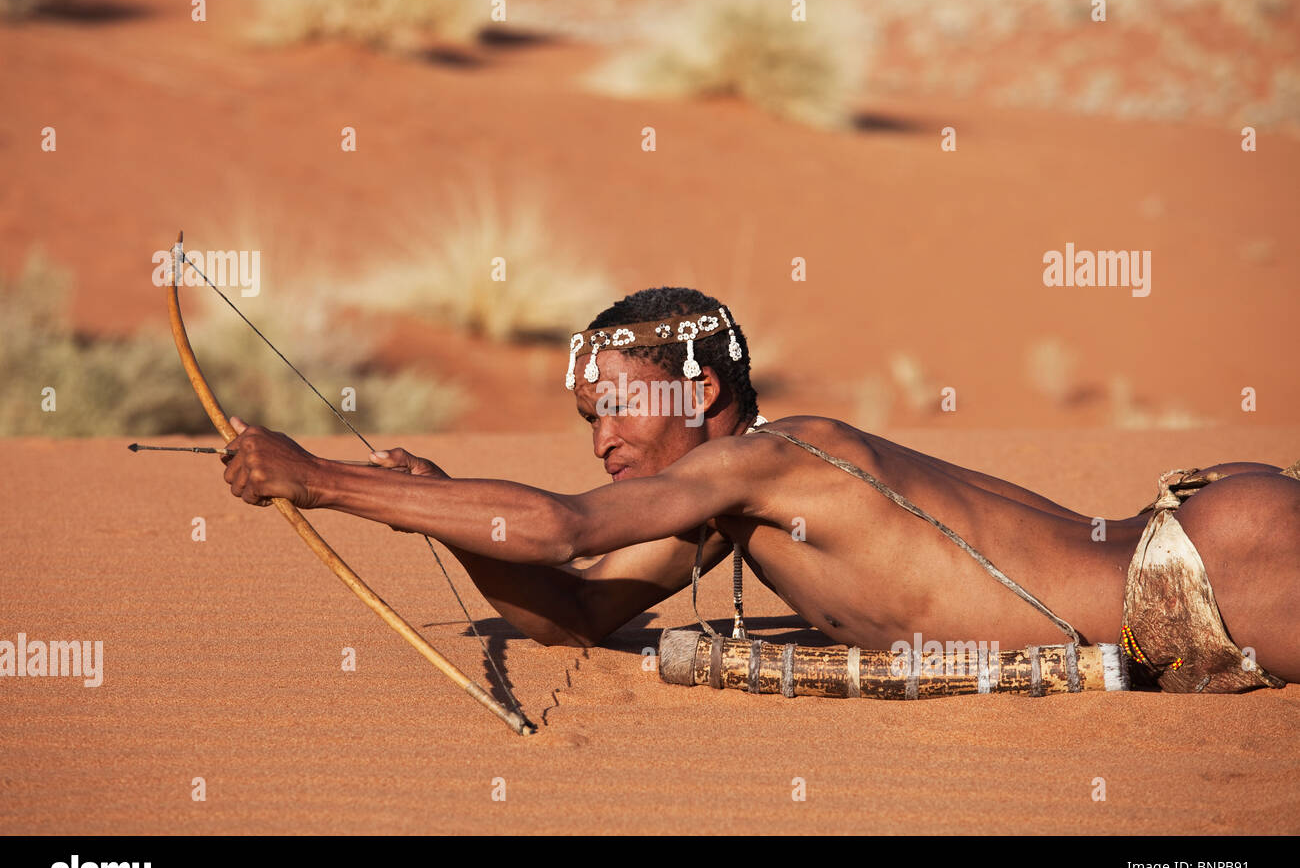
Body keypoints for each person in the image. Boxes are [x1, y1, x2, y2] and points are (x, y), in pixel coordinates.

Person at [219, 287, 1299, 692]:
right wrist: (450, 515)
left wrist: (322, 480)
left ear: (703, 389)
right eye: (587, 417)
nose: (602, 436)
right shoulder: (730, 502)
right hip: (1193, 585)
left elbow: (560, 530)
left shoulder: (768, 454)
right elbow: (571, 612)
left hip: (1205, 568)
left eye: (619, 404)